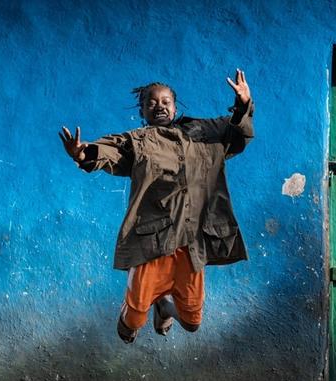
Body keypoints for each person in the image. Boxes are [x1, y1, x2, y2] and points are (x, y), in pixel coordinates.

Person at [59, 69, 253, 343]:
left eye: (165, 102)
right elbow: (108, 152)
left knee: (193, 322)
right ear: (142, 111)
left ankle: (164, 306)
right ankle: (139, 315)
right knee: (132, 324)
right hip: (153, 241)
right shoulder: (136, 141)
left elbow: (236, 133)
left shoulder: (204, 133)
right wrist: (83, 153)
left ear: (175, 106)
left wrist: (244, 104)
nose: (159, 106)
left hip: (191, 241)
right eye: (152, 102)